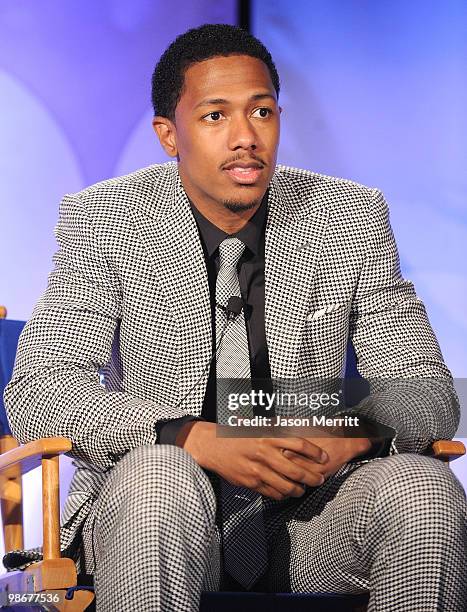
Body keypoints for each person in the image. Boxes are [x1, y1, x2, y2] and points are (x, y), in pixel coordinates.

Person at [4, 24, 466, 612]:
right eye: (215, 117)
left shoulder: (351, 217)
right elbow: (41, 391)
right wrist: (191, 437)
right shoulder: (105, 219)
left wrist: (352, 430)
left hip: (312, 515)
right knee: (159, 480)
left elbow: (427, 393)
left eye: (262, 112)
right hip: (157, 508)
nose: (245, 137)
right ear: (169, 135)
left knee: (424, 490)